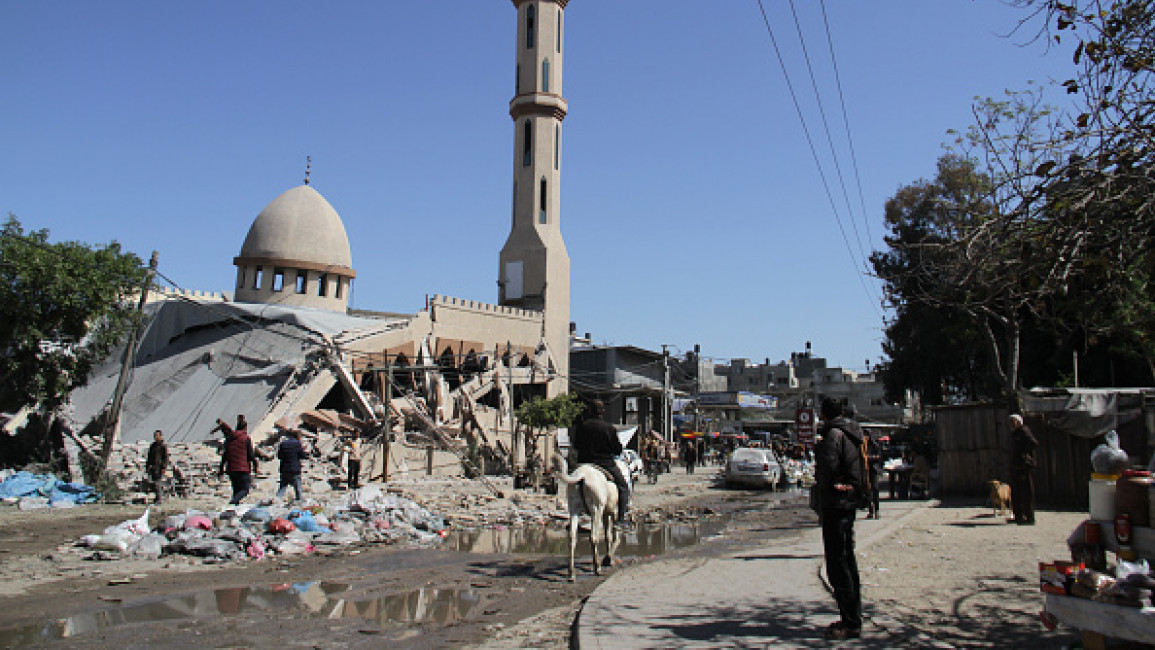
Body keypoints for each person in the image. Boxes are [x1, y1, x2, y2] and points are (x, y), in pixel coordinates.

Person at [814, 397, 864, 640]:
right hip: (848, 502)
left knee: (838, 563)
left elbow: (828, 469)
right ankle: (852, 616)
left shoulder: (834, 435)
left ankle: (850, 621)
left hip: (837, 503)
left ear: (823, 414)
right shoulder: (852, 432)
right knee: (847, 559)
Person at [572, 399, 630, 526]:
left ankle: (574, 513)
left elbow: (576, 445)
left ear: (590, 411)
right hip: (605, 463)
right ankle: (621, 519)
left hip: (584, 463)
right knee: (623, 487)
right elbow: (617, 449)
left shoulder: (582, 426)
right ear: (602, 412)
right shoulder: (609, 428)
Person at [216, 415, 258, 506]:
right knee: (245, 489)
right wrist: (255, 465)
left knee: (236, 490)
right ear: (245, 428)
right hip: (243, 469)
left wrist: (221, 468)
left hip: (231, 468)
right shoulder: (246, 438)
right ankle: (232, 503)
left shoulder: (229, 439)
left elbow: (225, 455)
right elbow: (250, 454)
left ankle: (233, 510)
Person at [1008, 413, 1039, 525]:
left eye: (1013, 421)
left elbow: (1033, 443)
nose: (1012, 424)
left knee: (1026, 492)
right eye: (1010, 421)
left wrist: (1024, 454)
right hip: (1016, 465)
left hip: (1024, 466)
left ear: (1019, 422)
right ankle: (1018, 516)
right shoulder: (1015, 433)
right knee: (1016, 492)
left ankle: (1030, 517)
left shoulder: (1024, 431)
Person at [276, 430, 306, 503]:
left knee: (282, 487)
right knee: (297, 487)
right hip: (294, 469)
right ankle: (299, 500)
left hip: (284, 468)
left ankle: (276, 500)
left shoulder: (283, 444)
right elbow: (303, 455)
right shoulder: (297, 444)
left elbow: (279, 456)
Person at [145, 430, 169, 504]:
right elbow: (149, 457)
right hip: (152, 467)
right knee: (152, 483)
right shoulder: (153, 446)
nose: (156, 437)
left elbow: (165, 458)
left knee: (158, 483)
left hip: (159, 467)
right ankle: (156, 497)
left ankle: (159, 499)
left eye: (157, 436)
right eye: (155, 436)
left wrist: (163, 467)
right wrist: (147, 466)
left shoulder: (162, 446)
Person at [864, 431, 883, 519]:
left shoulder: (874, 445)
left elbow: (879, 456)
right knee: (867, 491)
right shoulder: (862, 446)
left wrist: (869, 458)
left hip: (873, 469)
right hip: (865, 470)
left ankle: (877, 510)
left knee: (875, 489)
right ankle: (870, 510)